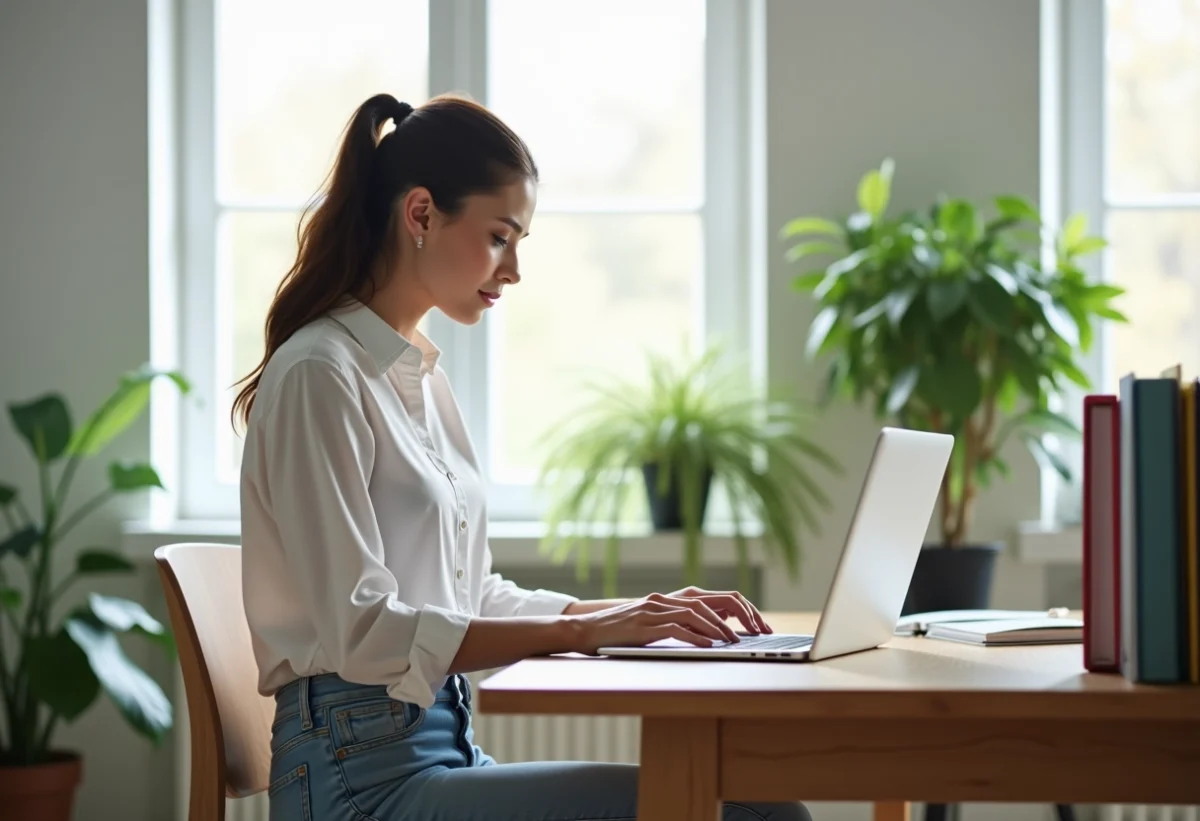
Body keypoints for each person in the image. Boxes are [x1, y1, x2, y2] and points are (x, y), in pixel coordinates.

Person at [234, 91, 812, 821]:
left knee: (753, 807)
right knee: (757, 817)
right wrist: (585, 631)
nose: (512, 270)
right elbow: (362, 630)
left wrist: (633, 613)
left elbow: (470, 597)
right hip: (357, 783)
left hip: (436, 753)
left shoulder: (418, 376)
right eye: (499, 237)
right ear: (421, 214)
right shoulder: (320, 373)